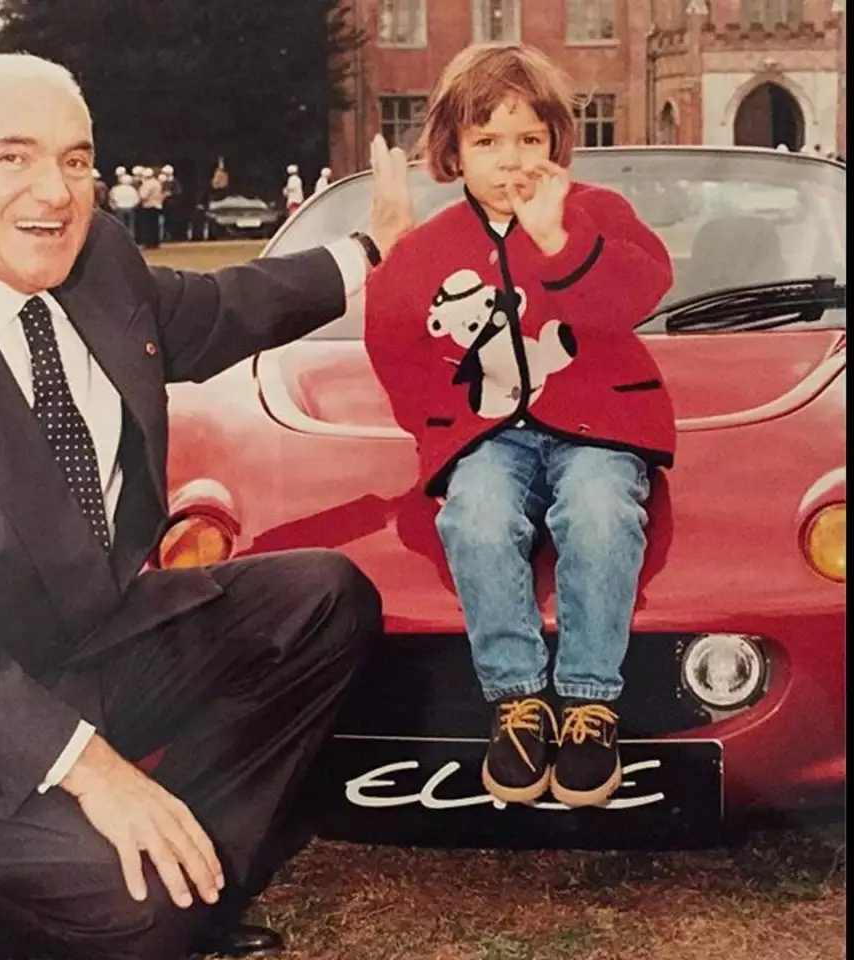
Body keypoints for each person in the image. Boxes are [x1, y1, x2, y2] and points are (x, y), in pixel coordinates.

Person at [0, 52, 414, 960]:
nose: (55, 191)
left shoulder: (99, 261)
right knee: (140, 918)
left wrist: (369, 254)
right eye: (14, 157)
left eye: (76, 159)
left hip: (94, 646)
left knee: (324, 597)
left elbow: (218, 309)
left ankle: (186, 868)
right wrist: (93, 772)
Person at [362, 43, 675, 810]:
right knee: (475, 512)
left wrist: (556, 242)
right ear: (453, 151)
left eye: (529, 140)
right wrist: (439, 429)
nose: (510, 162)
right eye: (487, 142)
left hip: (598, 425)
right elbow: (395, 343)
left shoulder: (595, 213)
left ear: (557, 145)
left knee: (600, 511)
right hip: (489, 433)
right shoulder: (429, 246)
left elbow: (642, 289)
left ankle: (590, 702)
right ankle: (518, 704)